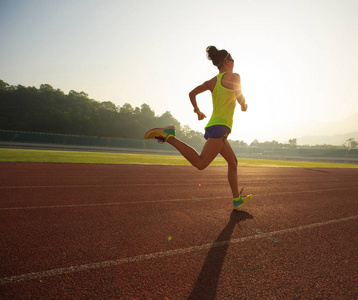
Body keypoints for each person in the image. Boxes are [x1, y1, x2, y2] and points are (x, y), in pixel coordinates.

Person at [145, 46, 252, 210]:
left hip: (215, 127)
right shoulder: (234, 76)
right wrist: (244, 105)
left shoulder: (212, 82)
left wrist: (197, 111)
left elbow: (191, 93)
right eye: (232, 59)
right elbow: (239, 95)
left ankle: (237, 199)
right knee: (200, 163)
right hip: (220, 127)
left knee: (233, 161)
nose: (233, 62)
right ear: (226, 61)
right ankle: (169, 136)